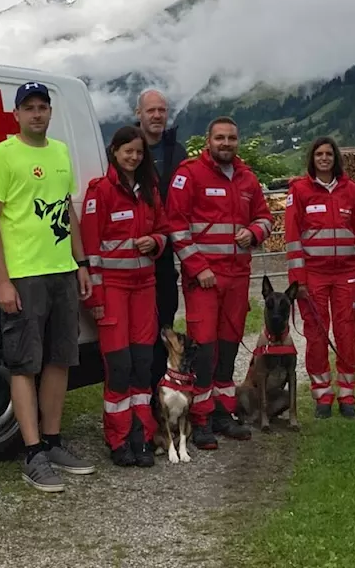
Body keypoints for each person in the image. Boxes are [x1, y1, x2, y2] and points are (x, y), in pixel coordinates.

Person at [0, 81, 97, 493]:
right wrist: (2, 280)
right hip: (25, 275)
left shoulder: (61, 152)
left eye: (42, 107)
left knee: (60, 360)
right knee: (24, 363)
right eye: (28, 107)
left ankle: (53, 442)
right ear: (16, 114)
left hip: (63, 271)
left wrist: (80, 263)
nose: (36, 114)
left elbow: (67, 211)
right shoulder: (2, 156)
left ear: (50, 112)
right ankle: (32, 454)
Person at [166, 116, 274, 448]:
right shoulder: (189, 175)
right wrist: (198, 267)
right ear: (208, 141)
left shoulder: (247, 179)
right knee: (203, 349)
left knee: (228, 348)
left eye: (231, 138)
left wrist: (254, 232)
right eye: (220, 138)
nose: (226, 143)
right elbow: (176, 225)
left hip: (237, 278)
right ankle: (199, 421)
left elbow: (266, 218)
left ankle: (223, 414)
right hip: (205, 280)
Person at [80, 125, 167, 468]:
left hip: (144, 288)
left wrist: (156, 243)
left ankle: (142, 436)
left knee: (143, 365)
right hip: (113, 290)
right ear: (114, 151)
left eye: (139, 152)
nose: (133, 157)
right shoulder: (100, 192)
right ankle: (117, 439)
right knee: (119, 367)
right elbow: (90, 251)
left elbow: (163, 229)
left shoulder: (149, 190)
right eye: (127, 151)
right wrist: (97, 301)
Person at [283, 136, 355, 420]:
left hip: (347, 275)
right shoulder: (298, 190)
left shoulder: (351, 190)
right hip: (314, 276)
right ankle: (322, 394)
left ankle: (347, 394)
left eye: (329, 154)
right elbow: (292, 237)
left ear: (335, 158)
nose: (324, 158)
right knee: (317, 336)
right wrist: (299, 280)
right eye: (319, 154)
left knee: (347, 334)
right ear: (312, 158)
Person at [133, 89, 189, 403]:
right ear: (138, 113)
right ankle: (140, 398)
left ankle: (161, 395)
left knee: (165, 323)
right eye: (151, 110)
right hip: (136, 254)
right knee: (139, 329)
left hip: (166, 256)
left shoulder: (177, 153)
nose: (157, 116)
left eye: (162, 111)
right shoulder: (128, 151)